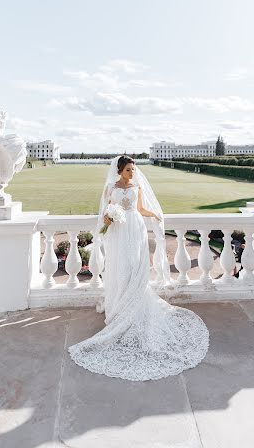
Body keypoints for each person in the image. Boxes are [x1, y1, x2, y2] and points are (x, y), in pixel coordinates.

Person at [67, 155, 209, 381]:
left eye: (133, 169)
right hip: (118, 232)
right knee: (120, 266)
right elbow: (105, 212)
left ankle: (135, 303)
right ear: (120, 170)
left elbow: (140, 208)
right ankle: (120, 306)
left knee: (136, 266)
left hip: (136, 228)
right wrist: (108, 220)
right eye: (128, 170)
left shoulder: (137, 185)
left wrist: (154, 214)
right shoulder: (111, 188)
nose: (132, 173)